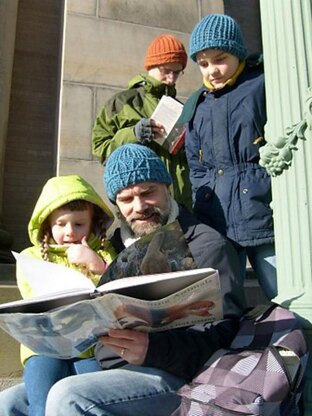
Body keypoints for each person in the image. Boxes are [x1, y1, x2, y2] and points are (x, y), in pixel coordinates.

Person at [0, 145, 245, 416]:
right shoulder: (112, 246)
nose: (139, 207)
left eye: (148, 192)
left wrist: (152, 350)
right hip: (105, 365)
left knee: (68, 396)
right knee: (8, 403)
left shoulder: (207, 245)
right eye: (126, 199)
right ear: (116, 206)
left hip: (175, 373)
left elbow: (227, 334)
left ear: (168, 188)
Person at [181, 13, 277, 300]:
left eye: (220, 59)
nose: (212, 70)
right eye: (203, 63)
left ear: (237, 53)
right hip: (218, 221)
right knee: (224, 303)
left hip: (264, 214)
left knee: (284, 292)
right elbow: (196, 168)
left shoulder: (262, 86)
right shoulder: (197, 106)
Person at [6, 174, 117, 416]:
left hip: (90, 347)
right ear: (47, 224)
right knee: (42, 405)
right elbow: (32, 295)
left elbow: (114, 293)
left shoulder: (104, 254)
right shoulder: (32, 256)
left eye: (79, 224)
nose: (69, 232)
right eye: (61, 224)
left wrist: (96, 265)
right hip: (44, 348)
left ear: (93, 223)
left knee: (89, 401)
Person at [91, 33, 193, 210]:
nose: (171, 78)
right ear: (151, 66)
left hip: (181, 205)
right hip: (141, 203)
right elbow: (101, 149)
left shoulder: (180, 108)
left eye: (177, 72)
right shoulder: (122, 103)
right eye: (166, 71)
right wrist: (134, 134)